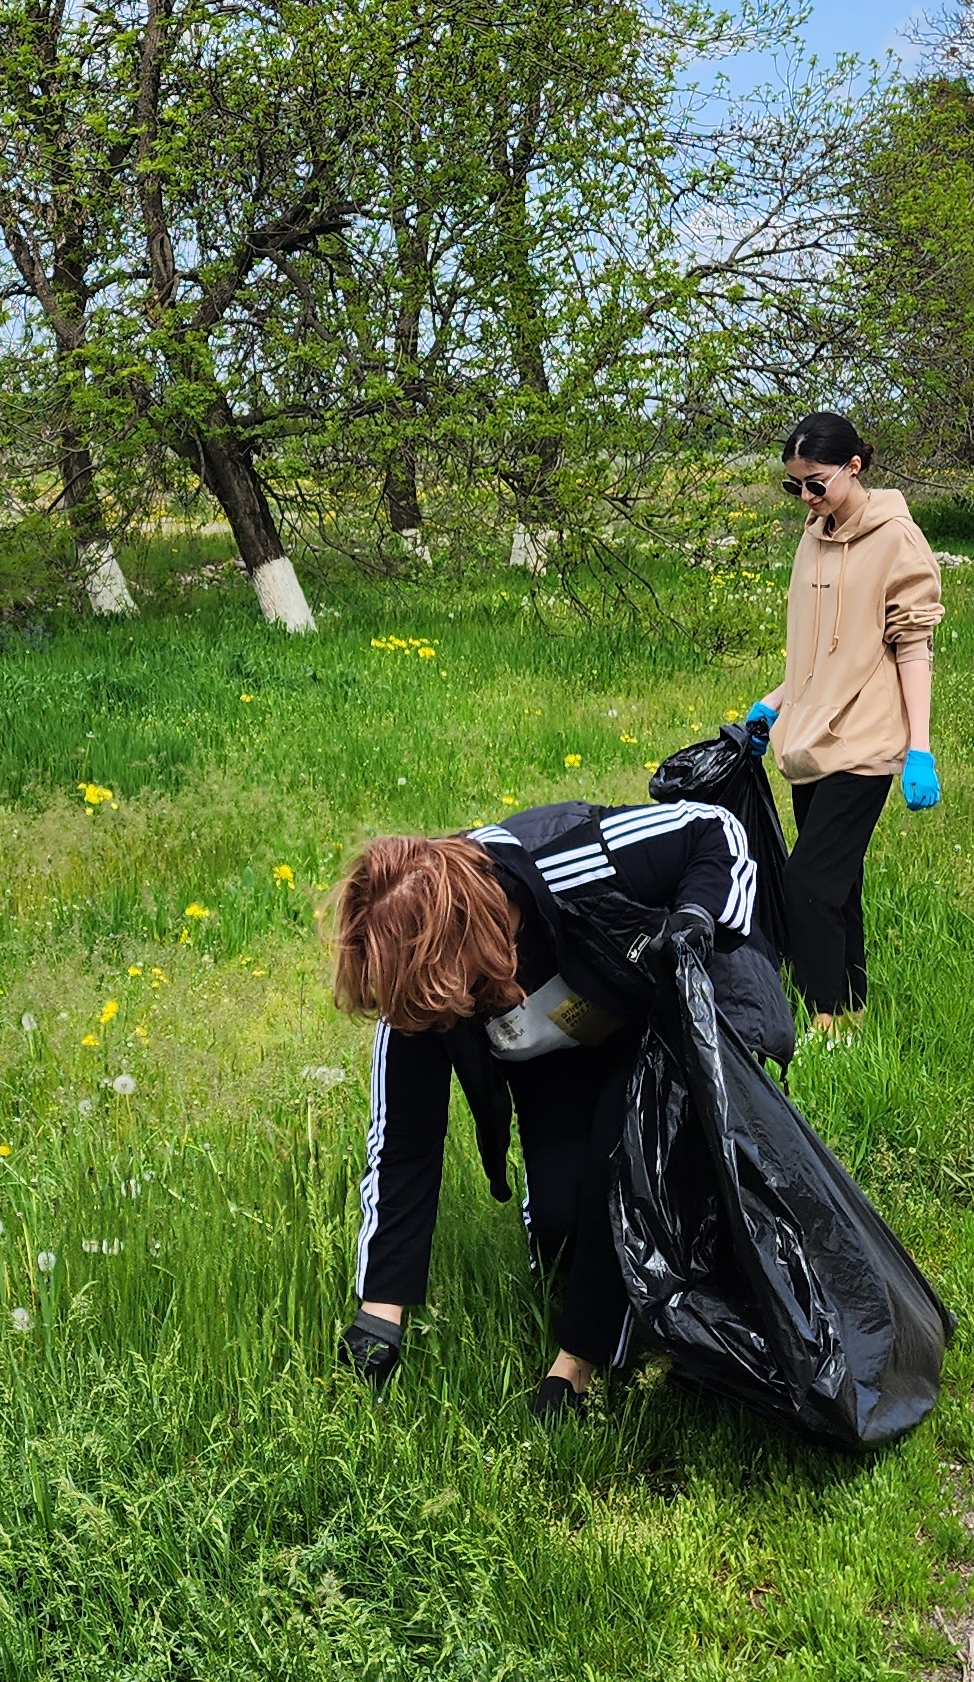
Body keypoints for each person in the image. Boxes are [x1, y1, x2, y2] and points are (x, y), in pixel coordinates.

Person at [330, 796, 756, 1417]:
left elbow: (715, 828)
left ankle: (579, 1365)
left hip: (649, 1020)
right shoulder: (418, 985)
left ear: (470, 941)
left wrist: (694, 918)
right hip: (557, 1053)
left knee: (620, 1182)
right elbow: (403, 1146)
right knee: (560, 1228)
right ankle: (604, 1290)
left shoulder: (573, 863)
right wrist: (379, 1317)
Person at [754, 412, 941, 1045]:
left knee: (807, 883)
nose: (806, 497)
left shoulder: (896, 539)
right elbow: (817, 651)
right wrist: (775, 702)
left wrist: (919, 750)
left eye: (816, 483)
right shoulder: (813, 538)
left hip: (867, 738)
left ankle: (824, 1020)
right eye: (795, 486)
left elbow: (912, 646)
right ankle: (853, 1010)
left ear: (853, 467)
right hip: (811, 738)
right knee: (839, 883)